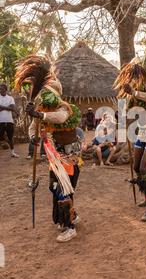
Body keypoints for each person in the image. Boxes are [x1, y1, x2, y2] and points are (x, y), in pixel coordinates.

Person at [18, 58, 83, 243]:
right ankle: (72, 215)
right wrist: (33, 137)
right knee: (54, 188)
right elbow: (33, 127)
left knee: (63, 189)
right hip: (54, 157)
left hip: (70, 158)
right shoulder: (41, 109)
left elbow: (61, 118)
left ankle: (69, 227)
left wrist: (40, 114)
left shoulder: (65, 107)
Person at [114, 57, 146, 222]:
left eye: (135, 77)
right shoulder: (132, 95)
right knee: (136, 166)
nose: (134, 81)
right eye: (131, 78)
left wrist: (134, 93)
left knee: (143, 168)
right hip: (141, 133)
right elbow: (126, 113)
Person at [0, 83, 19, 157]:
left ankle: (13, 152)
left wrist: (2, 107)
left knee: (11, 137)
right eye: (0, 89)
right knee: (0, 136)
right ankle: (5, 143)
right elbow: (11, 108)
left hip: (9, 120)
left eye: (2, 89)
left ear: (5, 89)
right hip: (0, 121)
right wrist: (8, 108)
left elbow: (13, 108)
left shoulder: (10, 98)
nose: (0, 90)